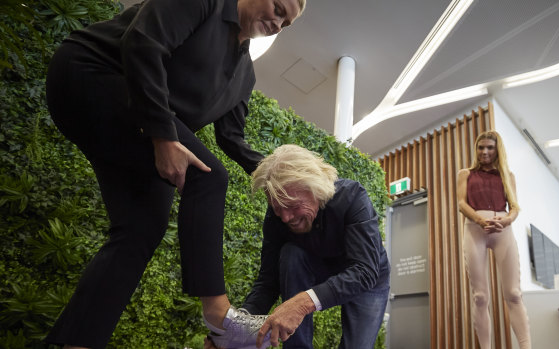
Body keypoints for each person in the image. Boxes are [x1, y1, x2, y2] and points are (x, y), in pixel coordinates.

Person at [43, 0, 305, 348]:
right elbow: (143, 43)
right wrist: (165, 136)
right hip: (91, 75)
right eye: (278, 8)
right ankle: (218, 314)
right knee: (209, 175)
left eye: (287, 23)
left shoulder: (246, 75)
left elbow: (233, 138)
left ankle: (73, 343)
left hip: (143, 128)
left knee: (140, 231)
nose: (279, 23)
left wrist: (279, 179)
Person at [206, 144, 391, 349]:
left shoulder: (353, 198)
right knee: (290, 254)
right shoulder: (276, 219)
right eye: (277, 208)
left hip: (365, 276)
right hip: (317, 266)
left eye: (293, 206)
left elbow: (365, 271)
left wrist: (301, 303)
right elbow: (268, 281)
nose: (285, 218)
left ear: (317, 189)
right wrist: (235, 330)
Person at [457, 131, 531, 349]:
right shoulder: (465, 173)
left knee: (514, 294)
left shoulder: (507, 175)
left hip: (502, 231)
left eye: (489, 147)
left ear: (497, 150)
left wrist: (506, 221)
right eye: (481, 147)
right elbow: (461, 203)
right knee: (480, 296)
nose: (485, 152)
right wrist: (480, 220)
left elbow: (515, 206)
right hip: (474, 230)